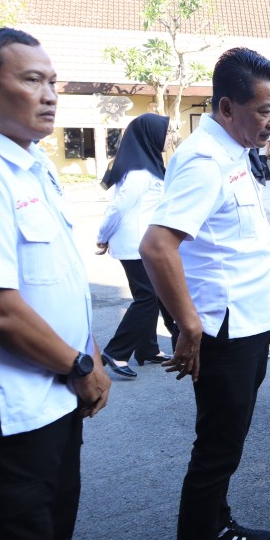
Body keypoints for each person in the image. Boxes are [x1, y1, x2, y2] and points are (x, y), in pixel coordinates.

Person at [140, 47, 270, 540]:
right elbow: (157, 245)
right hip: (225, 330)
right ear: (227, 107)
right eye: (264, 110)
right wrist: (188, 324)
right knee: (218, 448)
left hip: (249, 320)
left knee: (226, 440)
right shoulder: (205, 160)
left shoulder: (231, 150)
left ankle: (218, 528)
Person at [0, 27, 111, 540]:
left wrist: (89, 349)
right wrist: (79, 365)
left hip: (58, 400)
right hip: (13, 420)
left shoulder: (34, 164)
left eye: (53, 82)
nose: (50, 96)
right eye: (32, 80)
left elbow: (56, 278)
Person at [96, 113, 175, 378]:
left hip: (142, 243)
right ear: (150, 136)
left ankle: (148, 349)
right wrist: (103, 236)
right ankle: (116, 352)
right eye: (165, 132)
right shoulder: (140, 172)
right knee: (147, 297)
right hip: (134, 244)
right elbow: (118, 207)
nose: (169, 137)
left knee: (152, 295)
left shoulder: (148, 165)